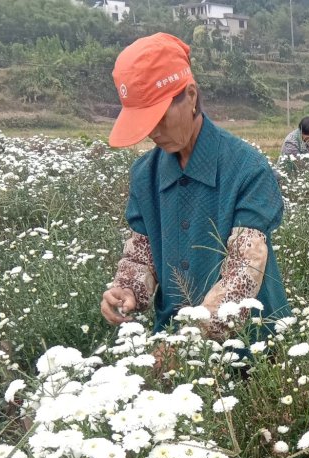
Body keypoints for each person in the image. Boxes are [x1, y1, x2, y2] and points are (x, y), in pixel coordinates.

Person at [100, 32, 289, 342]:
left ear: (190, 96)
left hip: (251, 350)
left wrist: (187, 343)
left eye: (159, 118)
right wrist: (127, 289)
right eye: (144, 123)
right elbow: (140, 256)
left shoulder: (246, 168)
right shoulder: (145, 175)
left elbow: (243, 272)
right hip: (174, 342)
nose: (154, 133)